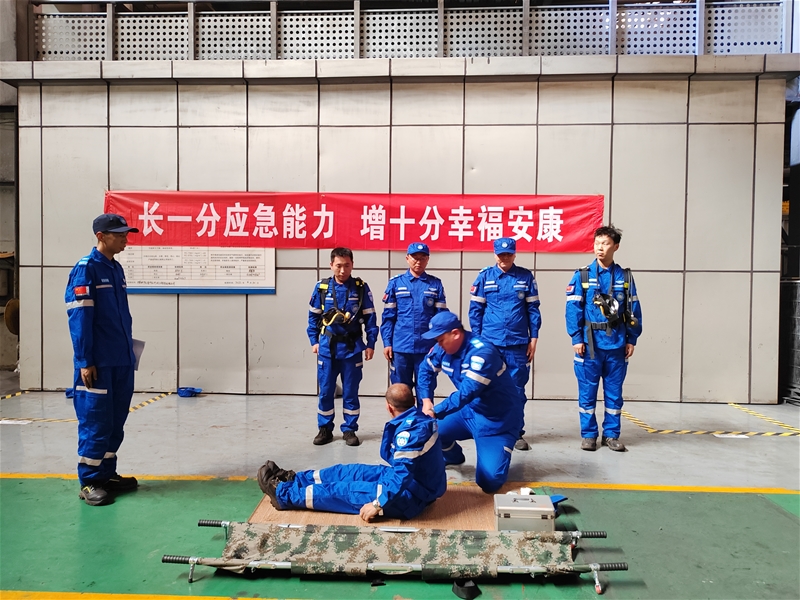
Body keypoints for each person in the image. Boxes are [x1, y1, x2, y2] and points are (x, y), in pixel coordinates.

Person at [258, 383, 446, 521]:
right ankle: (295, 479)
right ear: (413, 402)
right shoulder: (418, 419)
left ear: (389, 407)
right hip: (412, 482)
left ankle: (283, 495)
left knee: (345, 490)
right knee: (348, 472)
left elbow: (402, 476)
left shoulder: (410, 434)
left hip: (411, 496)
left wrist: (377, 504)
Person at [65, 213, 140, 506]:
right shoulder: (86, 269)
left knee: (115, 421)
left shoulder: (116, 269)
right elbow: (80, 318)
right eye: (119, 235)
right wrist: (85, 360)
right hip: (98, 363)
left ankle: (106, 474)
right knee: (95, 421)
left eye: (126, 234)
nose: (125, 240)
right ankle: (89, 481)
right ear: (101, 236)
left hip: (121, 360)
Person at [418, 311, 525, 494]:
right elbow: (425, 369)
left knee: (489, 481)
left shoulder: (482, 353)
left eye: (441, 340)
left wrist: (435, 411)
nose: (438, 345)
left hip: (497, 422)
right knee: (430, 431)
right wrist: (426, 401)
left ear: (455, 334)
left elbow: (467, 393)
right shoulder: (442, 348)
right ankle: (453, 456)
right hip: (470, 411)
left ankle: (502, 448)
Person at [565, 225, 643, 452]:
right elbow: (573, 310)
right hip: (589, 346)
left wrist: (632, 339)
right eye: (597, 243)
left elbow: (634, 309)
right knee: (587, 394)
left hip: (617, 345)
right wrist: (576, 338)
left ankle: (611, 434)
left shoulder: (624, 277)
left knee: (614, 394)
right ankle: (589, 435)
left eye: (605, 243)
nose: (600, 248)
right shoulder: (582, 276)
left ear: (615, 247)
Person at [468, 237, 541, 451]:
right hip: (491, 344)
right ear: (495, 255)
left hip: (518, 344)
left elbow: (533, 310)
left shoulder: (525, 277)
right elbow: (475, 312)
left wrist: (533, 339)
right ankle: (488, 430)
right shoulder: (484, 277)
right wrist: (478, 342)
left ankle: (515, 433)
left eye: (509, 254)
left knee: (516, 390)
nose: (505, 258)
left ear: (515, 254)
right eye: (501, 255)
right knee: (487, 388)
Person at [307, 248, 379, 447]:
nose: (342, 270)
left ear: (352, 265)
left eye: (347, 265)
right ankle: (325, 429)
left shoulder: (360, 288)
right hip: (327, 349)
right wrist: (314, 341)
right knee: (326, 390)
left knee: (350, 391)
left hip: (352, 349)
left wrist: (371, 343)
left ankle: (349, 429)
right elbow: (313, 317)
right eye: (338, 265)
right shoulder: (322, 288)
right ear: (331, 265)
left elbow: (370, 318)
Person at [380, 242, 448, 402]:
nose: (418, 261)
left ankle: (423, 418)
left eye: (422, 258)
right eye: (414, 257)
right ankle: (403, 418)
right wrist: (387, 343)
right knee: (400, 392)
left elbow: (441, 318)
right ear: (407, 258)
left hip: (427, 347)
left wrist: (441, 343)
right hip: (401, 347)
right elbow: (388, 317)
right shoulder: (396, 283)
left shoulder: (435, 284)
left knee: (426, 388)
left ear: (428, 259)